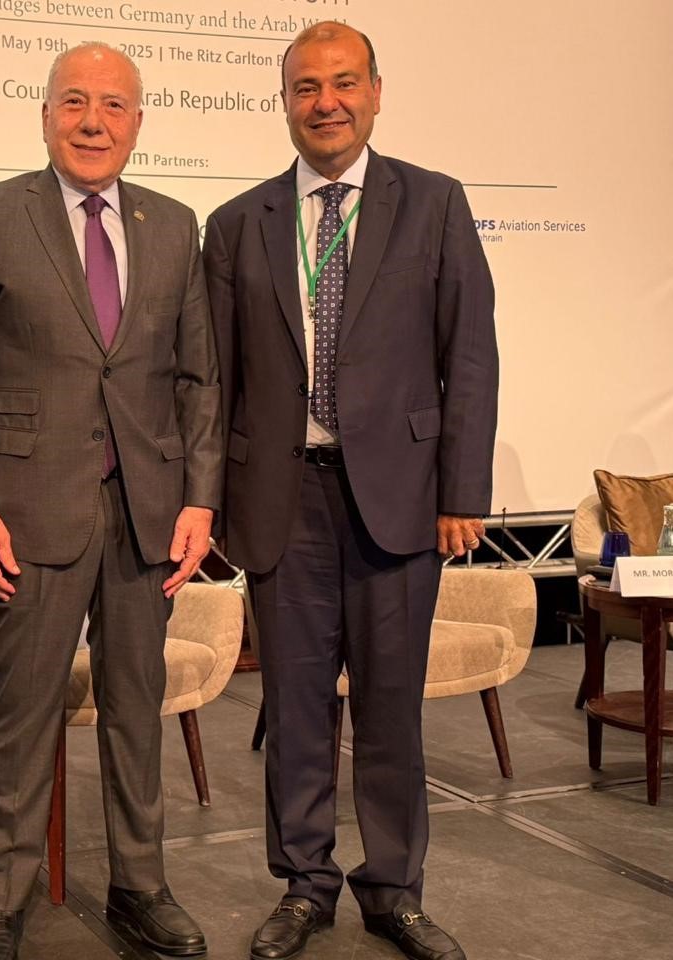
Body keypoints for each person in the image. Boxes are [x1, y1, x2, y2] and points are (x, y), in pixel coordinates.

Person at [204, 21, 497, 960]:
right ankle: (304, 885)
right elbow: (215, 381)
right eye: (305, 87)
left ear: (375, 92)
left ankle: (395, 889)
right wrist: (210, 502)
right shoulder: (237, 222)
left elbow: (470, 355)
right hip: (280, 499)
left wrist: (464, 491)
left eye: (342, 83)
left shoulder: (434, 203)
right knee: (294, 707)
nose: (324, 102)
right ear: (284, 102)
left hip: (401, 499)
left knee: (390, 706)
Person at [0, 41, 223, 960]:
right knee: (23, 712)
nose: (92, 122)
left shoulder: (174, 224)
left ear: (138, 122)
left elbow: (197, 377)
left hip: (149, 511)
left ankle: (141, 886)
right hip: (28, 509)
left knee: (137, 709)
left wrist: (200, 500)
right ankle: (2, 899)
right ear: (45, 116)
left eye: (112, 105)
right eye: (74, 102)